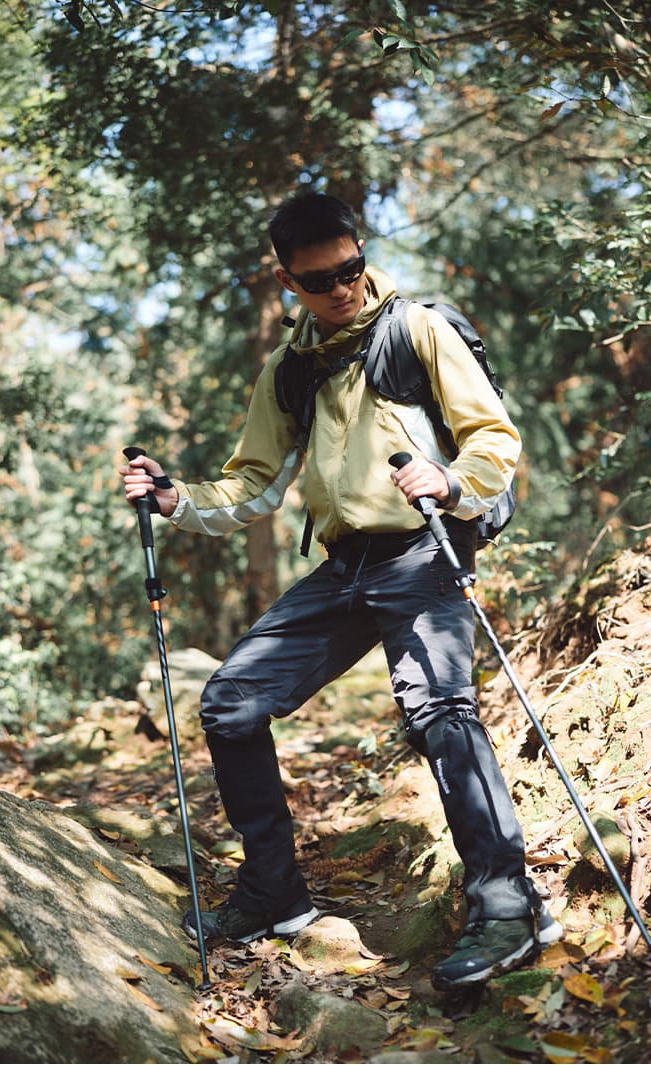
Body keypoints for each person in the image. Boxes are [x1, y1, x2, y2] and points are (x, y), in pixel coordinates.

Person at [119, 191, 561, 990]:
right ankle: (273, 897)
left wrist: (453, 479)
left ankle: (508, 904)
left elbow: (494, 436)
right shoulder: (290, 369)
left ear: (361, 251)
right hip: (346, 565)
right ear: (288, 280)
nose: (344, 287)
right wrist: (175, 499)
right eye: (322, 278)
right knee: (230, 701)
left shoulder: (415, 328)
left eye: (353, 267)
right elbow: (253, 482)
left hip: (426, 548)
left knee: (439, 711)